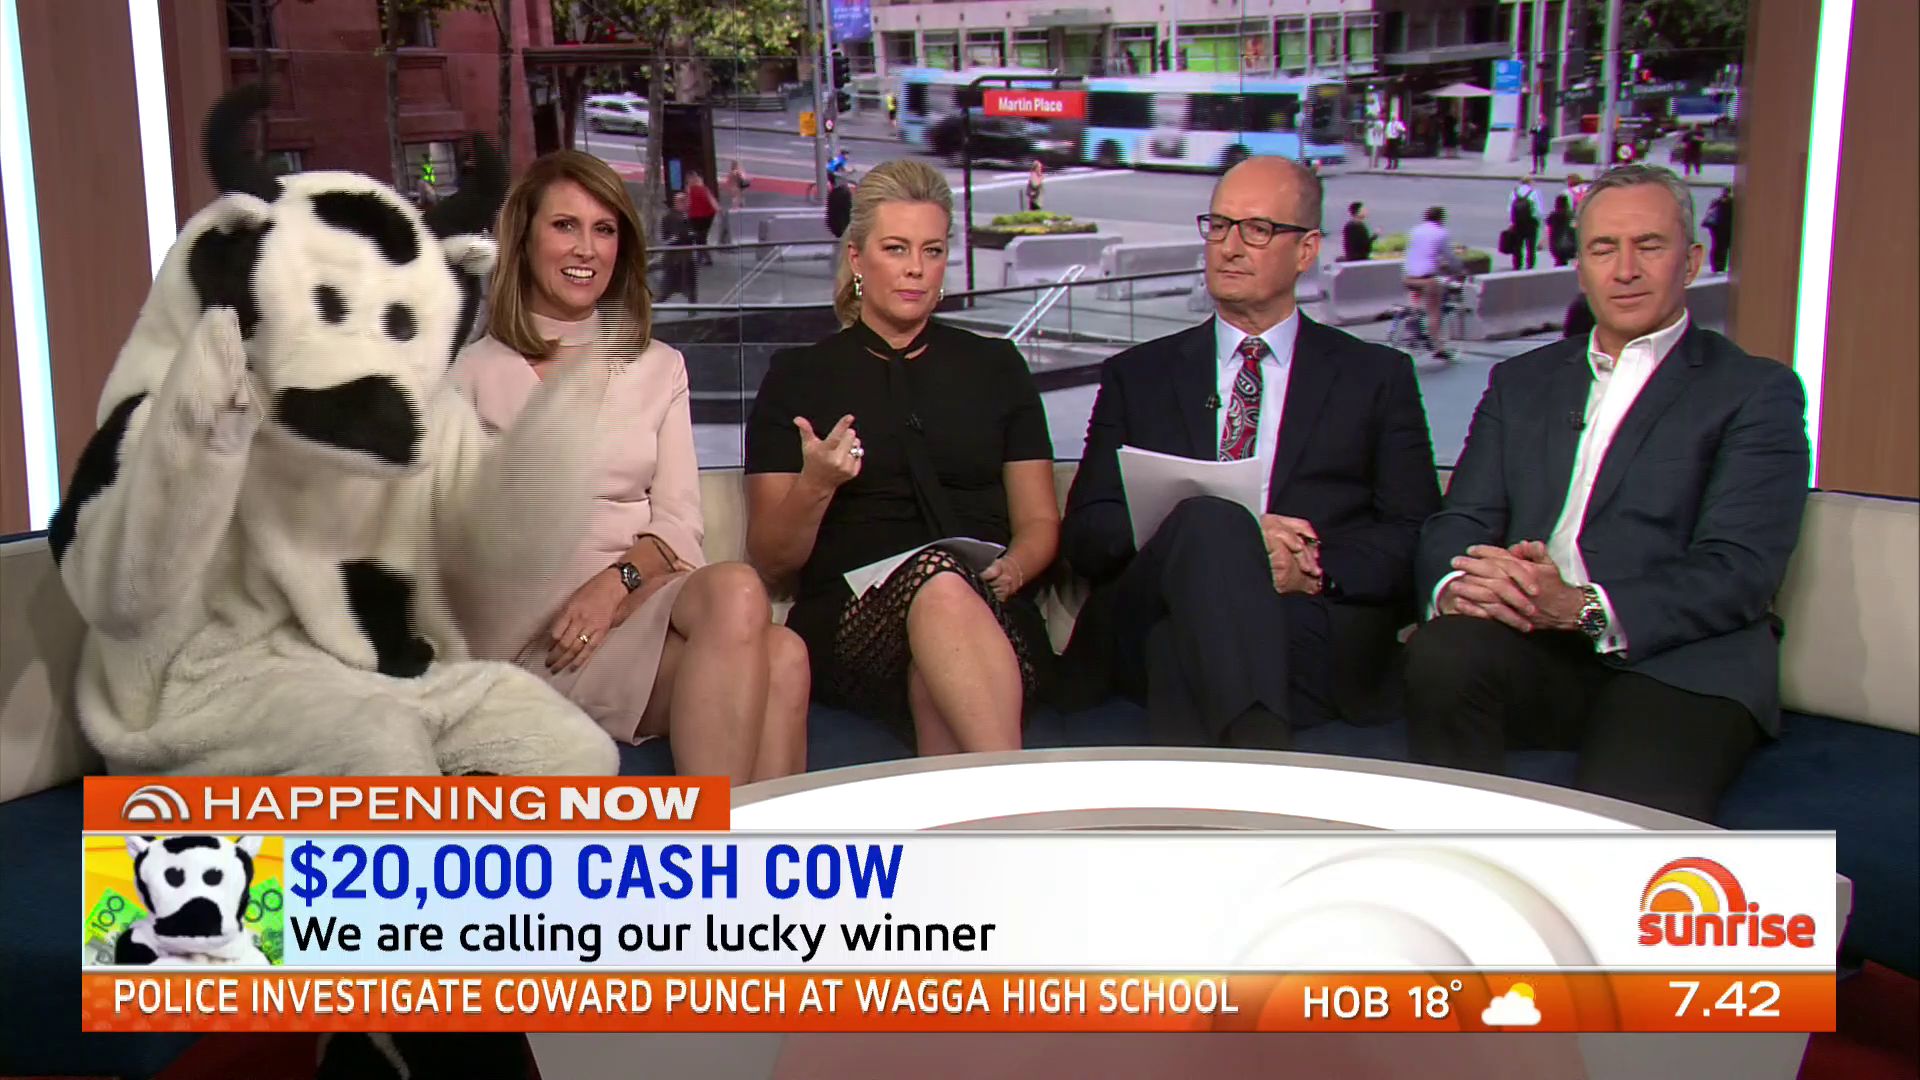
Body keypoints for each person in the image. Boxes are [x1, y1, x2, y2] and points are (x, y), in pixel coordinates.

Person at [1404, 164, 1811, 822]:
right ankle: (1462, 866)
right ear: (1581, 267)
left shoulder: (1755, 391)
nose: (1625, 270)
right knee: (1444, 653)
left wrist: (1581, 607)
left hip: (1683, 661)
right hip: (1535, 646)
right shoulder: (1521, 383)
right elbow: (1459, 522)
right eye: (1603, 249)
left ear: (1692, 261)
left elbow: (1739, 569)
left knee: (1614, 827)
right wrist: (1463, 585)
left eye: (1648, 245)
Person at [1056, 157, 1442, 748]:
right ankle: (1261, 754)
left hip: (1302, 620)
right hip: (1148, 605)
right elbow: (1087, 533)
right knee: (1212, 523)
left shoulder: (1376, 378)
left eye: (1257, 230)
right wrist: (1208, 538)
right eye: (1219, 225)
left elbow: (1415, 535)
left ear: (1306, 250)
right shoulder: (1139, 375)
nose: (1230, 247)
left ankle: (1231, 775)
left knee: (1177, 649)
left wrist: (1309, 568)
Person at [452, 150, 810, 785]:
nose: (586, 248)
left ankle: (724, 838)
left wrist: (614, 586)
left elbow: (679, 523)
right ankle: (733, 841)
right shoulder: (469, 375)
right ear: (525, 239)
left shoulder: (659, 367)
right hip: (531, 644)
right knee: (775, 651)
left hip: (635, 605)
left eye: (604, 229)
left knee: (762, 621)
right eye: (565, 226)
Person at [744, 159, 1060, 756]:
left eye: (932, 251)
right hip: (852, 625)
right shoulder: (798, 378)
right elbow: (771, 560)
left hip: (988, 612)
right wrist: (816, 484)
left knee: (939, 649)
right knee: (936, 582)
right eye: (896, 249)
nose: (916, 267)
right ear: (858, 259)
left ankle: (992, 808)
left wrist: (1015, 568)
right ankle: (1020, 794)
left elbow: (1040, 520)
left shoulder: (996, 368)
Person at [1402, 205, 1463, 361]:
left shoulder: (1415, 230)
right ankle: (1438, 347)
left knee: (1416, 303)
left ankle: (1413, 326)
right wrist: (1459, 269)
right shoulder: (1440, 232)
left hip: (1408, 276)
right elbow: (1449, 256)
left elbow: (1418, 253)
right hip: (1427, 279)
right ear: (1441, 219)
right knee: (1434, 312)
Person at [656, 191, 698, 303]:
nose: (687, 204)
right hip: (675, 260)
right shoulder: (670, 217)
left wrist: (691, 235)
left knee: (690, 289)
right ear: (678, 203)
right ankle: (652, 307)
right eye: (684, 201)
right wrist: (688, 235)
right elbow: (677, 235)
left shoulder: (685, 216)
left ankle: (693, 308)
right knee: (666, 289)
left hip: (686, 258)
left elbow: (691, 233)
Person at [1508, 176, 1543, 271]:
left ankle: (1517, 265)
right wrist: (1539, 223)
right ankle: (1530, 266)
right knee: (1531, 246)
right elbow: (1539, 211)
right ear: (1530, 182)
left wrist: (1511, 222)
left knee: (1517, 246)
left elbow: (1510, 209)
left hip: (1517, 223)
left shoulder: (1514, 192)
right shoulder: (1534, 192)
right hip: (1530, 223)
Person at [685, 172, 719, 265]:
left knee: (700, 237)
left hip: (700, 216)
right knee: (701, 237)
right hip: (703, 215)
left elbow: (688, 204)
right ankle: (704, 257)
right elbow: (711, 200)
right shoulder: (700, 188)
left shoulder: (696, 189)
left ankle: (703, 257)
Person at [1704, 188, 1734, 274]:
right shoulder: (1731, 203)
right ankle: (1720, 266)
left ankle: (1717, 266)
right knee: (1722, 247)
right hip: (1724, 228)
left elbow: (1710, 214)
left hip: (1716, 228)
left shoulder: (1717, 202)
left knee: (1718, 247)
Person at [1546, 193, 1577, 267]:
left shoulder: (1552, 216)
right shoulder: (1571, 215)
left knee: (1560, 263)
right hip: (1571, 245)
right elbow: (1575, 228)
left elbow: (1549, 230)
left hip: (1556, 246)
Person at [825, 171, 854, 239]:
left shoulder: (833, 194)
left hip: (835, 228)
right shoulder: (844, 193)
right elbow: (849, 210)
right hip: (843, 228)